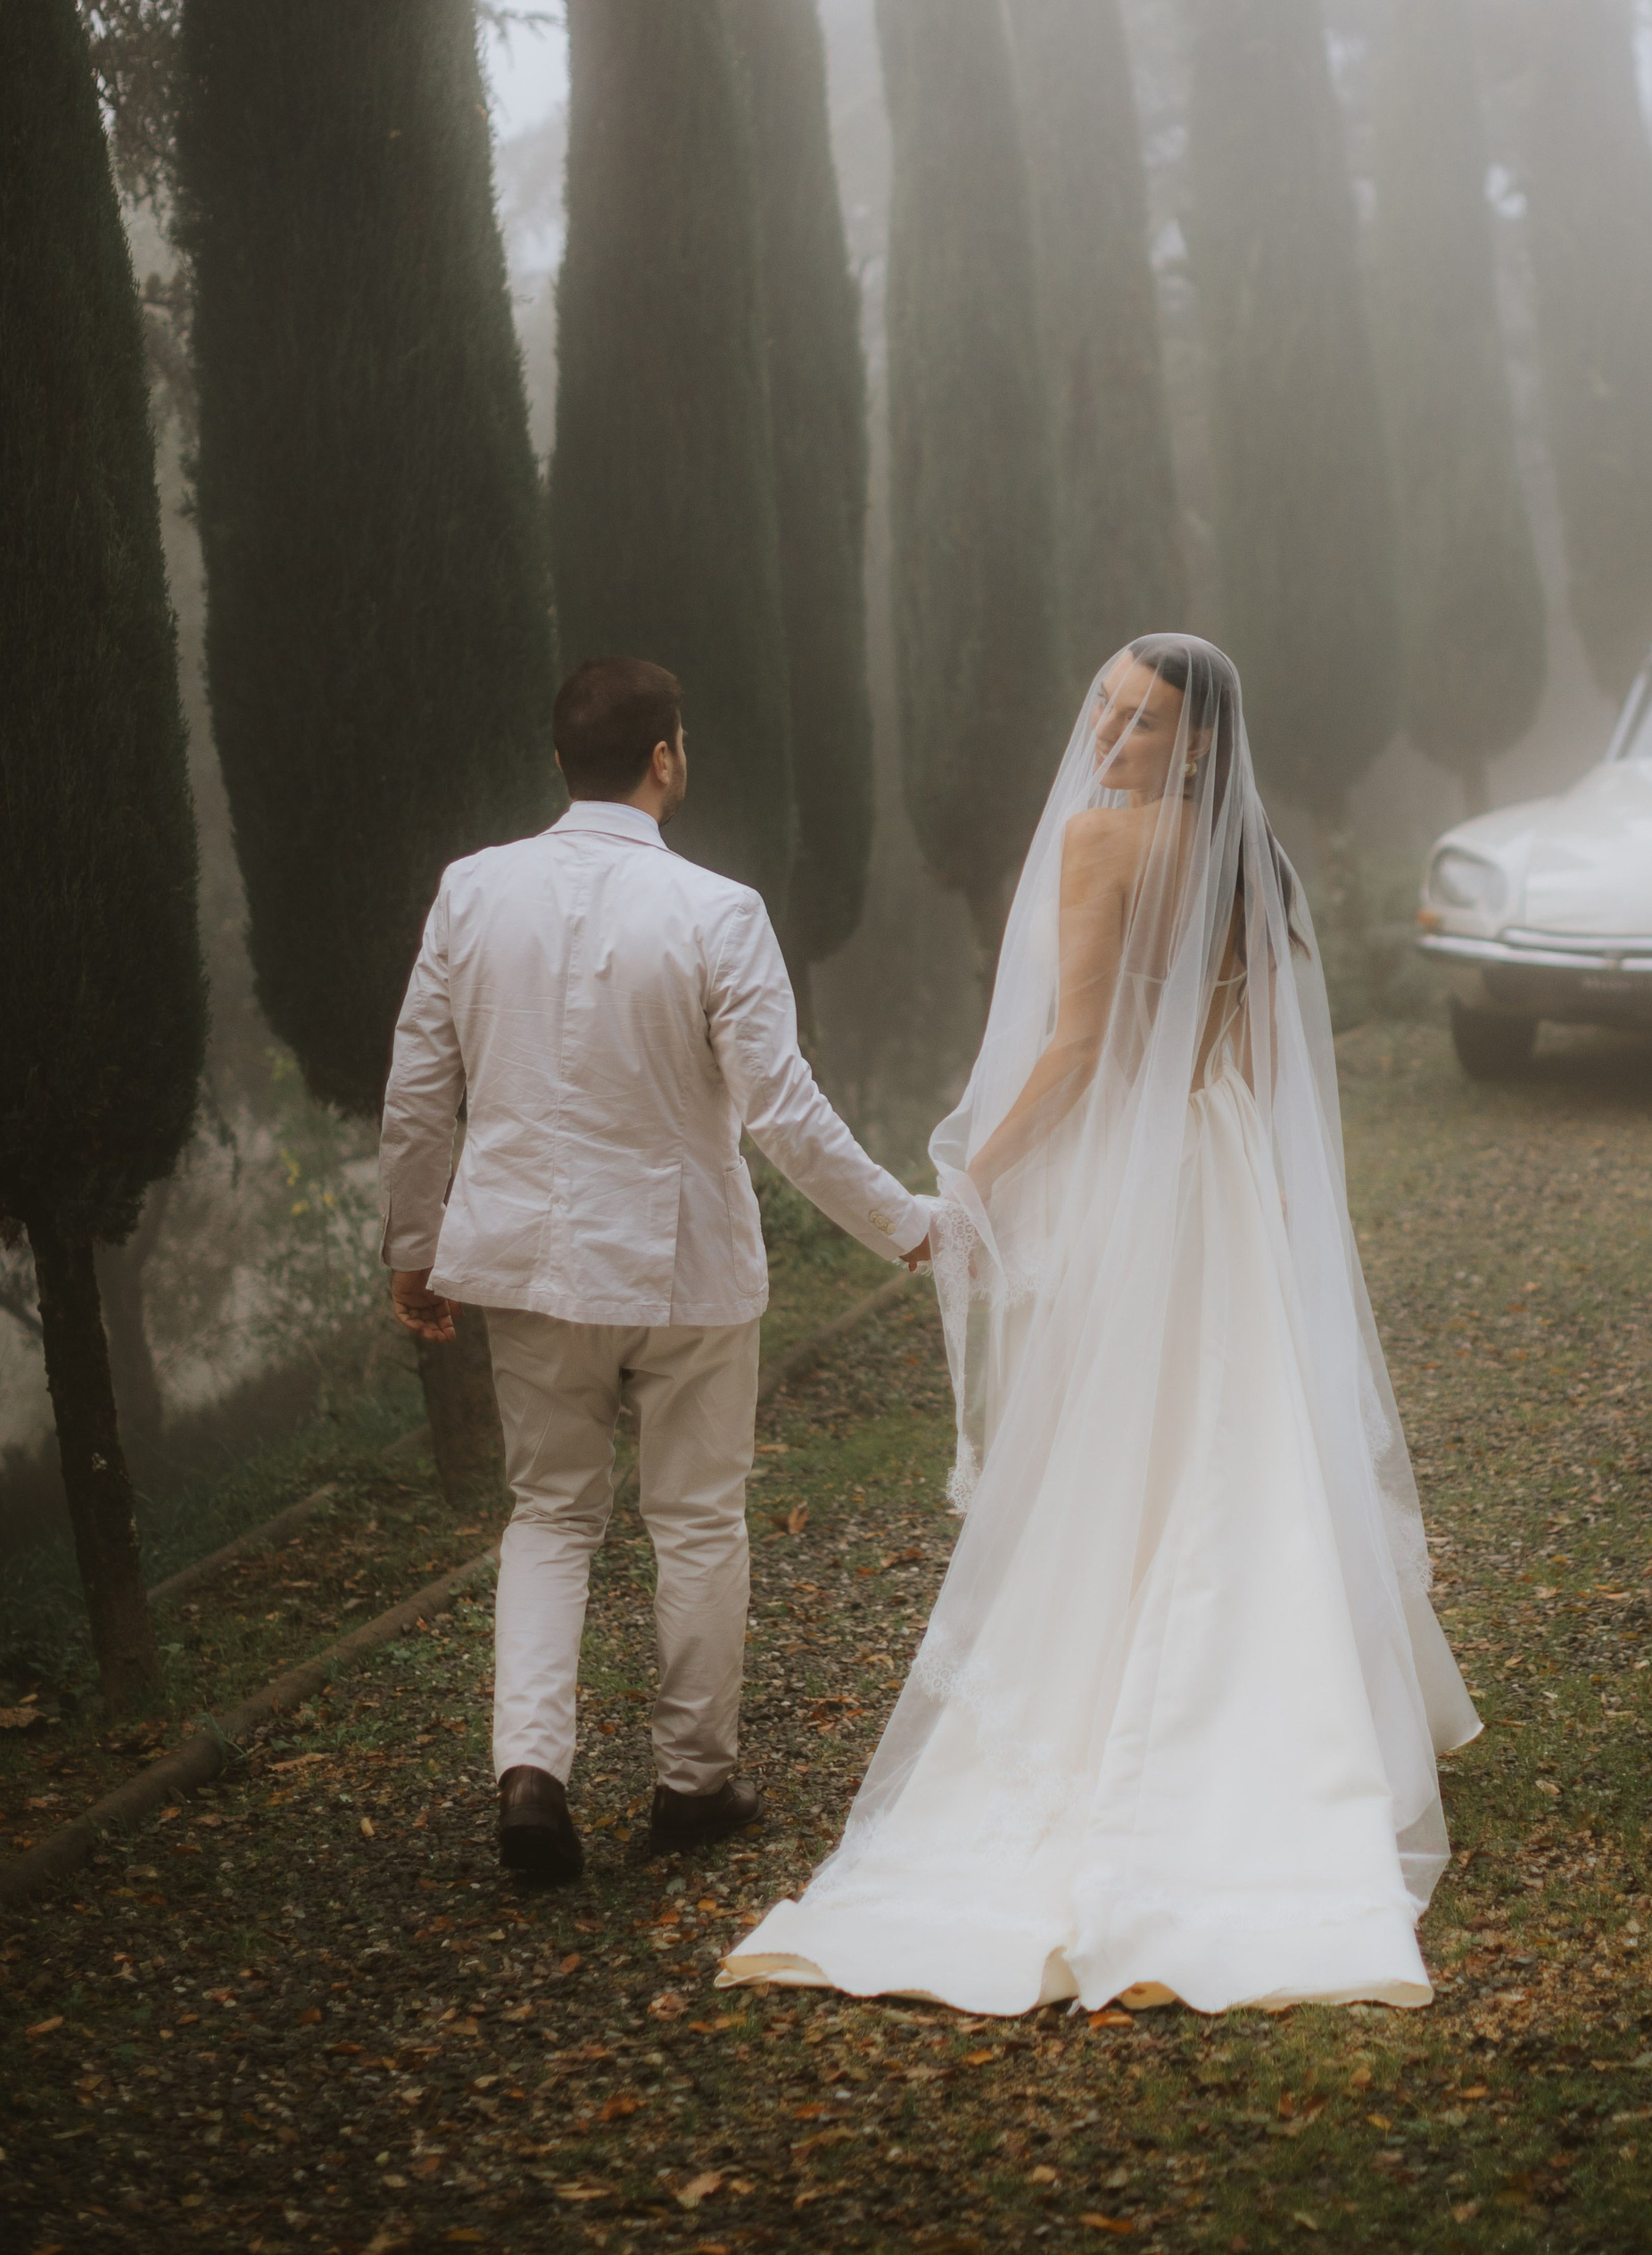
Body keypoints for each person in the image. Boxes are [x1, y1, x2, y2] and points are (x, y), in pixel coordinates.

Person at [722, 636, 1477, 2014]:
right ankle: (1289, 1723)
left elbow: (1074, 1052)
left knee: (1129, 1440)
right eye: (1106, 713)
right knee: (1238, 1433)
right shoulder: (1253, 855)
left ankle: (1140, 1708)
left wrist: (971, 1179)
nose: (1112, 738)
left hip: (1144, 1175)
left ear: (1194, 741)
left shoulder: (1098, 844)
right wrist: (1269, 1195)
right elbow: (1258, 1059)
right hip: (1226, 1168)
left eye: (1141, 721)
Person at [379, 657, 932, 1887]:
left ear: (559, 762)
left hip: (523, 1269)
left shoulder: (471, 894)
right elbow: (782, 1113)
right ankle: (693, 1786)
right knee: (693, 1521)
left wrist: (417, 1249)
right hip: (683, 1273)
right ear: (667, 758)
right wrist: (903, 1223)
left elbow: (420, 1090)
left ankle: (532, 1776)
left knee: (549, 1517)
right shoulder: (718, 910)